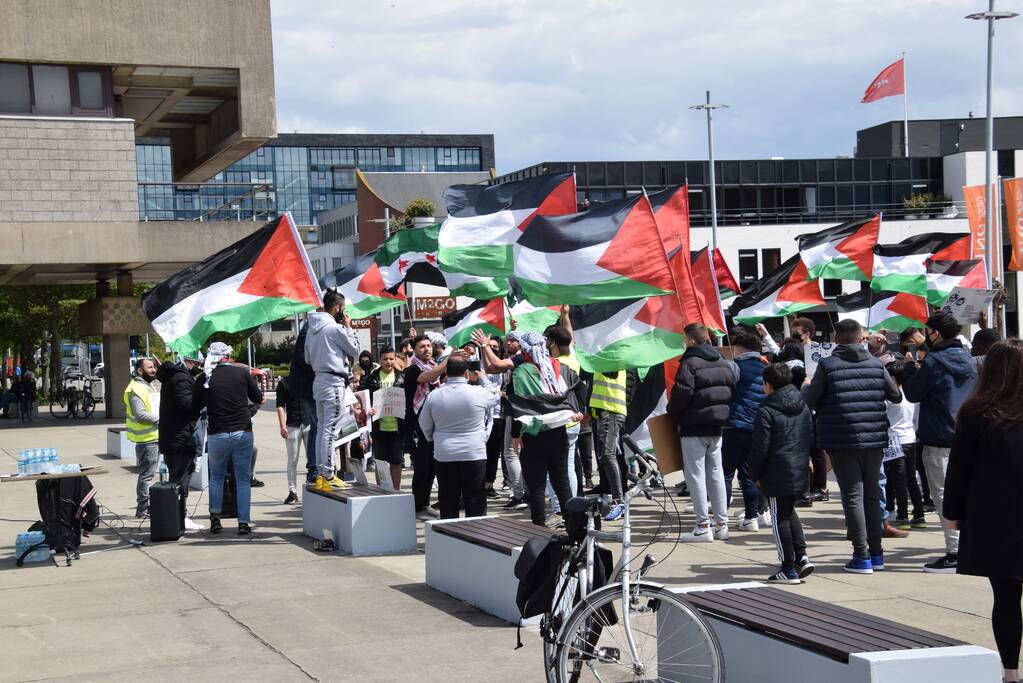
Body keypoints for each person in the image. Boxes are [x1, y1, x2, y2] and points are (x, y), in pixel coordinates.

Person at [943, 339, 1023, 683]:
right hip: (1002, 514)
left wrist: (953, 511)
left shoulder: (978, 411)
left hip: (997, 516)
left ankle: (1010, 671)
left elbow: (959, 468)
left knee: (1005, 597)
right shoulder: (979, 412)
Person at [803, 319, 902, 574]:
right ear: (861, 338)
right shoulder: (875, 364)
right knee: (871, 495)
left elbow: (809, 400)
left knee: (853, 498)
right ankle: (877, 553)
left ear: (837, 340)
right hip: (874, 438)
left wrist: (807, 386)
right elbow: (896, 396)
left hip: (842, 438)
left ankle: (862, 554)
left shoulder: (828, 365)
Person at [903, 312, 978, 574]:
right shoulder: (968, 359)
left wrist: (911, 369)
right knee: (967, 493)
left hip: (938, 435)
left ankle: (954, 552)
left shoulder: (934, 361)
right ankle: (967, 546)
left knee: (943, 495)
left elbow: (912, 394)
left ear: (936, 333)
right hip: (966, 433)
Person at [506, 331, 586, 526]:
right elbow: (580, 388)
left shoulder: (521, 372)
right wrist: (579, 411)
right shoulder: (562, 367)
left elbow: (517, 406)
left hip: (533, 436)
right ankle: (573, 527)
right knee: (562, 483)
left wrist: (515, 435)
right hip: (559, 433)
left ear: (525, 350)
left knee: (536, 486)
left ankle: (539, 529)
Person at [667, 323, 736, 543]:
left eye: (684, 338)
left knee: (695, 476)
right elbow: (730, 390)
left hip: (693, 426)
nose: (683, 342)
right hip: (717, 426)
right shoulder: (722, 361)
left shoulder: (690, 363)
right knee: (715, 474)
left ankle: (702, 526)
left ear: (692, 340)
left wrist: (672, 411)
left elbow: (682, 393)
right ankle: (722, 524)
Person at [749, 363, 815, 584]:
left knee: (780, 519)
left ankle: (788, 567)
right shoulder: (802, 403)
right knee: (789, 512)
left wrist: (754, 474)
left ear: (768, 385)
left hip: (776, 471)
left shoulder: (766, 410)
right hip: (798, 467)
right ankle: (801, 557)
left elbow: (760, 447)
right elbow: (810, 436)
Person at [418, 355, 501, 519]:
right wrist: (484, 378)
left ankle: (451, 540)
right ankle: (475, 538)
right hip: (473, 451)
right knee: (475, 498)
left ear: (446, 373)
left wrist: (433, 439)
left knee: (448, 499)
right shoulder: (478, 392)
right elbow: (495, 395)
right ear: (466, 374)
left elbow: (424, 424)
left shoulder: (435, 395)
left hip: (444, 452)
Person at [194, 342, 263, 535]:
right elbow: (257, 397)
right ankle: (243, 522)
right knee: (242, 478)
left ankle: (215, 519)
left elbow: (195, 403)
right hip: (242, 430)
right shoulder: (242, 374)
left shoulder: (205, 377)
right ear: (228, 356)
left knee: (216, 477)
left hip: (217, 433)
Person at [305, 289, 361, 493]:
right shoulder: (335, 329)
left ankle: (321, 473)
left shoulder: (312, 329)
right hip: (333, 380)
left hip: (318, 379)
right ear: (337, 308)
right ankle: (328, 474)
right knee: (330, 429)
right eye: (343, 309)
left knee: (322, 428)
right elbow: (355, 350)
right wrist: (349, 328)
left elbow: (307, 359)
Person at [405, 334, 460, 519]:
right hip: (416, 424)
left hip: (433, 423)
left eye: (429, 346)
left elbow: (438, 379)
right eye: (422, 346)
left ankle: (424, 503)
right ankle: (415, 506)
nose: (427, 349)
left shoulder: (432, 366)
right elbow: (427, 377)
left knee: (431, 467)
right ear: (414, 350)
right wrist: (448, 361)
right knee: (421, 467)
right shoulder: (413, 368)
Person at [474, 328, 528, 510]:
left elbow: (495, 364)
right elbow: (490, 367)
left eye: (513, 340)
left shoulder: (522, 357)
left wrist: (484, 345)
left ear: (522, 344)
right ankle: (523, 492)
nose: (508, 342)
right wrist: (484, 349)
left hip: (518, 410)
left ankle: (520, 494)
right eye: (508, 339)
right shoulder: (519, 357)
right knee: (514, 453)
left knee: (512, 453)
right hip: (513, 410)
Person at [722, 326, 769, 533]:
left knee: (725, 473)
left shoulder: (735, 366)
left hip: (735, 424)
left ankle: (720, 518)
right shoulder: (766, 367)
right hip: (757, 426)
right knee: (748, 475)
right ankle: (752, 516)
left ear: (740, 349)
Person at [157, 353, 204, 531]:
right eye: (197, 362)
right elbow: (187, 407)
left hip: (173, 437)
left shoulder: (172, 377)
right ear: (188, 361)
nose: (198, 365)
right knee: (180, 480)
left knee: (177, 478)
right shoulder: (182, 379)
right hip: (182, 439)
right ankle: (179, 517)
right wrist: (201, 399)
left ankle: (177, 516)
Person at [883, 360, 926, 530]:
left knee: (897, 480)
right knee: (911, 478)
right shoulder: (912, 396)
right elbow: (916, 419)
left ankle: (902, 515)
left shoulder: (889, 398)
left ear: (892, 378)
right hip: (910, 439)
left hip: (894, 440)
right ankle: (919, 513)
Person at [363, 346, 405, 491]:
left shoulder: (402, 377)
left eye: (391, 359)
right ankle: (381, 492)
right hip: (378, 428)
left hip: (397, 428)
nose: (388, 362)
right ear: (380, 360)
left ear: (395, 359)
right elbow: (363, 400)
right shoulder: (372, 378)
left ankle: (396, 492)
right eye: (385, 359)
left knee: (396, 462)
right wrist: (367, 410)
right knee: (380, 463)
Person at [125, 357, 161, 518]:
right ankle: (143, 509)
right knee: (146, 476)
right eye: (150, 367)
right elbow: (140, 415)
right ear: (140, 370)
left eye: (153, 367)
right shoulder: (136, 388)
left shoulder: (148, 385)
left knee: (148, 474)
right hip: (147, 439)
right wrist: (163, 419)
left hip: (153, 436)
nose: (153, 370)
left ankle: (145, 508)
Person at [290, 315, 318, 486]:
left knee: (319, 426)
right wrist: (322, 368)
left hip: (313, 385)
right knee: (318, 425)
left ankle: (315, 467)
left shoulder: (313, 326)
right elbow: (302, 357)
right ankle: (314, 468)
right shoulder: (311, 327)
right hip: (310, 386)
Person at [275, 374, 308, 504]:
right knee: (292, 460)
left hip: (309, 423)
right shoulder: (284, 383)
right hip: (292, 425)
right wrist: (282, 426)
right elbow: (280, 405)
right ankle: (292, 491)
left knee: (312, 460)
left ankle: (310, 486)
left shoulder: (309, 378)